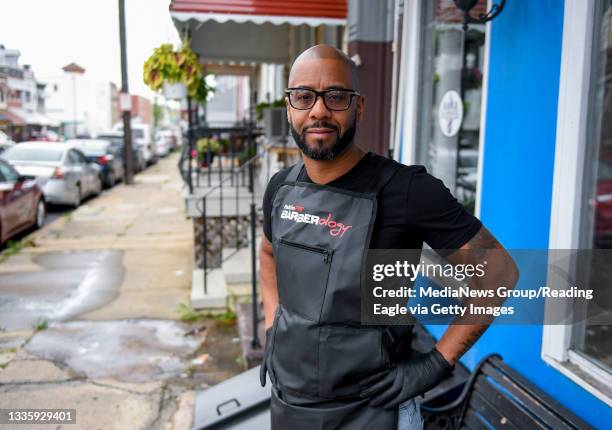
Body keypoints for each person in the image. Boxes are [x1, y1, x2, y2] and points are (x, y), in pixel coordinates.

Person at [259, 44, 519, 429]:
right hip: (290, 406)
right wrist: (272, 329)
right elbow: (268, 255)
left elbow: (498, 273)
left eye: (335, 96)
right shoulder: (280, 188)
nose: (318, 110)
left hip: (371, 413)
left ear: (359, 107)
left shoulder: (407, 190)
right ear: (289, 107)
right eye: (304, 97)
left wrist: (435, 364)